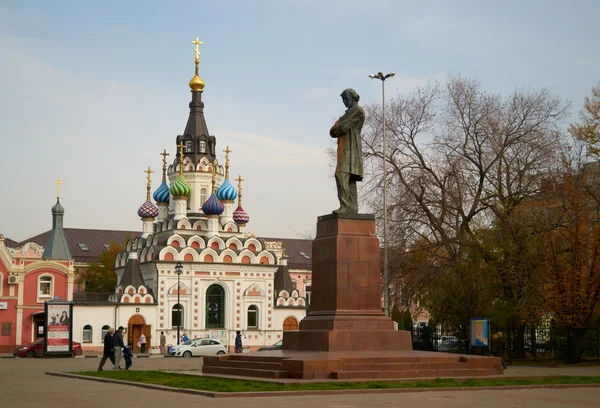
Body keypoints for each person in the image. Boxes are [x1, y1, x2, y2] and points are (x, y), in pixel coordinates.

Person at [329, 88, 365, 214]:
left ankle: (345, 206)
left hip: (351, 147)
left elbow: (342, 127)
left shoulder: (358, 111)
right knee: (348, 178)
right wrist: (337, 126)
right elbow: (332, 131)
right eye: (343, 99)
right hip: (345, 147)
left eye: (346, 98)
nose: (344, 101)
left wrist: (338, 126)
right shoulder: (345, 114)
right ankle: (352, 208)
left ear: (353, 97)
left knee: (341, 174)